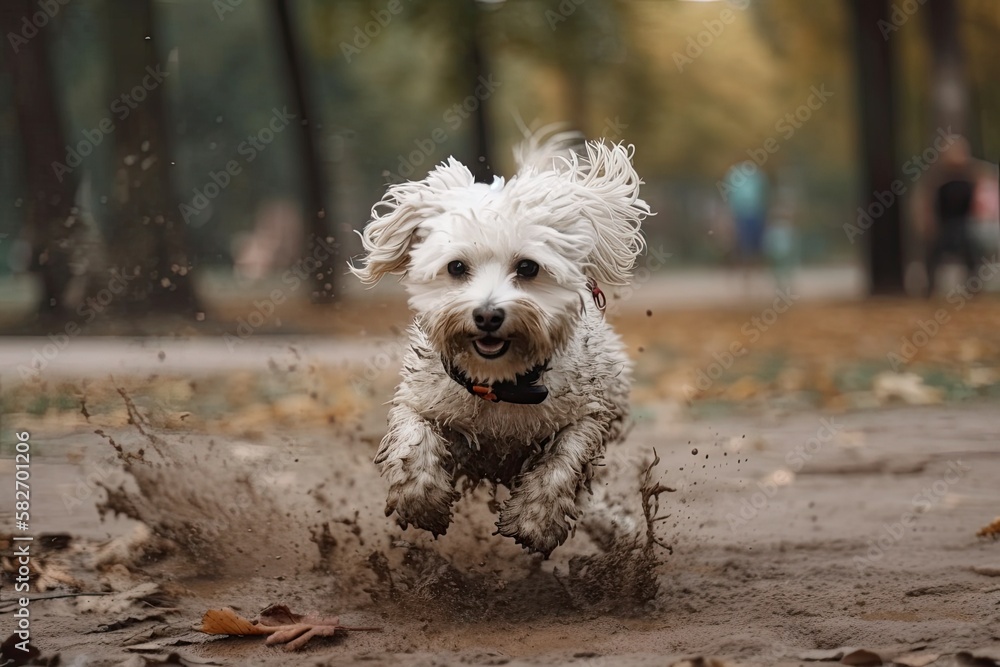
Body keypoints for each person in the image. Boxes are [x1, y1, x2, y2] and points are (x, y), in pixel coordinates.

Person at [918, 137, 979, 296]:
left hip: (963, 223)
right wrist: (927, 221)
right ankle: (930, 287)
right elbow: (927, 202)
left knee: (970, 249)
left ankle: (973, 287)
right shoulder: (937, 178)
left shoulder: (970, 174)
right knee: (933, 253)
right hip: (944, 224)